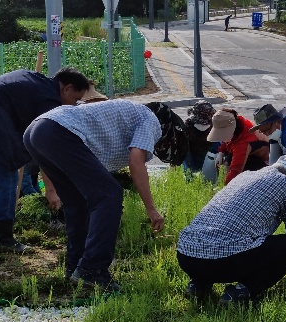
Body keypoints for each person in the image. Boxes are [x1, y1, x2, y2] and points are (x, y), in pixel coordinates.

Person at [22, 98, 174, 295]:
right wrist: (151, 208)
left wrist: (51, 189)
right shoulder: (150, 119)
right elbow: (136, 162)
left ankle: (75, 267)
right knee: (110, 194)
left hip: (36, 131)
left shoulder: (129, 114)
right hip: (57, 130)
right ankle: (93, 269)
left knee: (77, 202)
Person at [0, 67, 94, 251]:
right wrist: (51, 191)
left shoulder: (33, 79)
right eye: (75, 99)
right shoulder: (50, 100)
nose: (73, 105)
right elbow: (47, 149)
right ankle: (3, 239)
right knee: (5, 174)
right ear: (67, 89)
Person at [176, 154, 286, 303]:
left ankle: (198, 284)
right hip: (221, 262)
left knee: (221, 237)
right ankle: (241, 292)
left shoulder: (245, 175)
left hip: (185, 255)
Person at [206, 108, 269, 183]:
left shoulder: (245, 140)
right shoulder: (236, 123)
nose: (222, 137)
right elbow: (227, 141)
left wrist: (224, 186)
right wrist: (221, 153)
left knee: (230, 167)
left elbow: (235, 170)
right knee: (225, 162)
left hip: (261, 162)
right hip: (248, 152)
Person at [181, 101, 218, 177]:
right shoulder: (215, 127)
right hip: (209, 162)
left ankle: (188, 176)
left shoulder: (188, 125)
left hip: (191, 161)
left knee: (182, 146)